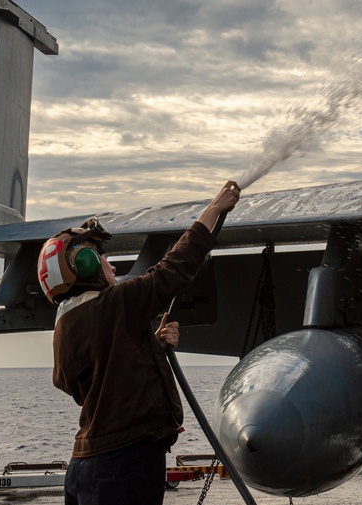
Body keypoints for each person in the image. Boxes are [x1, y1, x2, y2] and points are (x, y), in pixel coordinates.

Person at [37, 181, 241, 505]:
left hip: (84, 469)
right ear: (85, 264)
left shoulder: (65, 326)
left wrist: (149, 346)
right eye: (103, 258)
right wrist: (213, 210)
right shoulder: (117, 303)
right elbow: (172, 270)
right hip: (125, 466)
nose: (112, 266)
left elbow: (96, 382)